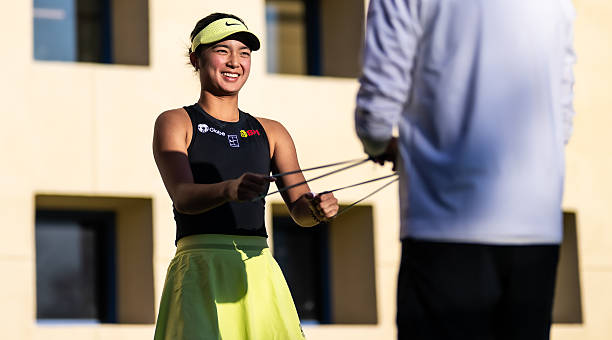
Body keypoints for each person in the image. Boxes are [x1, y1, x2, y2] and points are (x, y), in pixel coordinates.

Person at [355, 1, 576, 339]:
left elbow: (377, 111)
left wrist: (380, 144)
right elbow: (563, 115)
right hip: (537, 227)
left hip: (444, 226)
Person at [152, 12, 339, 340]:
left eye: (244, 53)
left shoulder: (273, 131)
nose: (234, 61)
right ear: (196, 58)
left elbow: (300, 211)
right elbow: (182, 197)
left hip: (258, 271)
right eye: (222, 50)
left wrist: (317, 210)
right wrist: (229, 190)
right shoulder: (174, 121)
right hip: (200, 269)